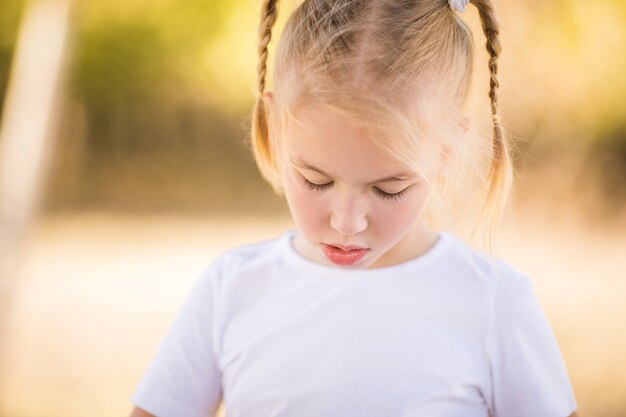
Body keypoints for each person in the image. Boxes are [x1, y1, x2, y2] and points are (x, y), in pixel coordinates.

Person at [130, 0, 579, 416]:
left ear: (446, 150)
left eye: (388, 188)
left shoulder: (494, 303)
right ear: (275, 127)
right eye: (315, 181)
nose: (346, 222)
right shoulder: (231, 289)